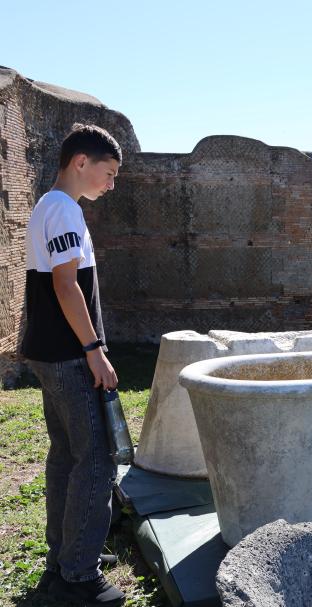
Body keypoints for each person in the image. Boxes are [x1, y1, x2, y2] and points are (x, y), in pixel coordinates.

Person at [22, 124, 125, 606]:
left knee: (66, 456)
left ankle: (65, 557)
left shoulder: (50, 205)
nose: (110, 184)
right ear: (81, 162)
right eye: (108, 173)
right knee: (97, 459)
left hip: (48, 352)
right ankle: (77, 578)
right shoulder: (64, 210)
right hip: (67, 355)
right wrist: (94, 349)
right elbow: (67, 286)